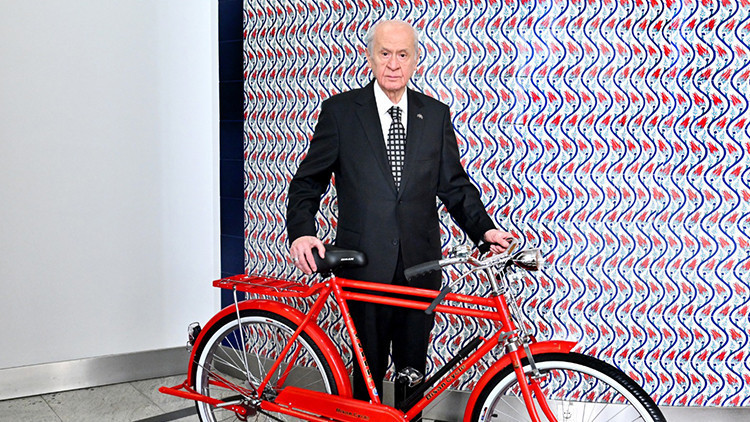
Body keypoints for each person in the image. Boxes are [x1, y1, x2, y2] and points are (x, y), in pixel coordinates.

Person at [286, 19, 513, 406]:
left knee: (413, 376)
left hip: (420, 266)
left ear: (415, 60)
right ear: (370, 57)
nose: (394, 64)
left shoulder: (435, 115)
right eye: (385, 53)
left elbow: (455, 187)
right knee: (368, 374)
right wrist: (302, 232)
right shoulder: (341, 112)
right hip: (364, 265)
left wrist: (485, 231)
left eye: (403, 54)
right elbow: (308, 181)